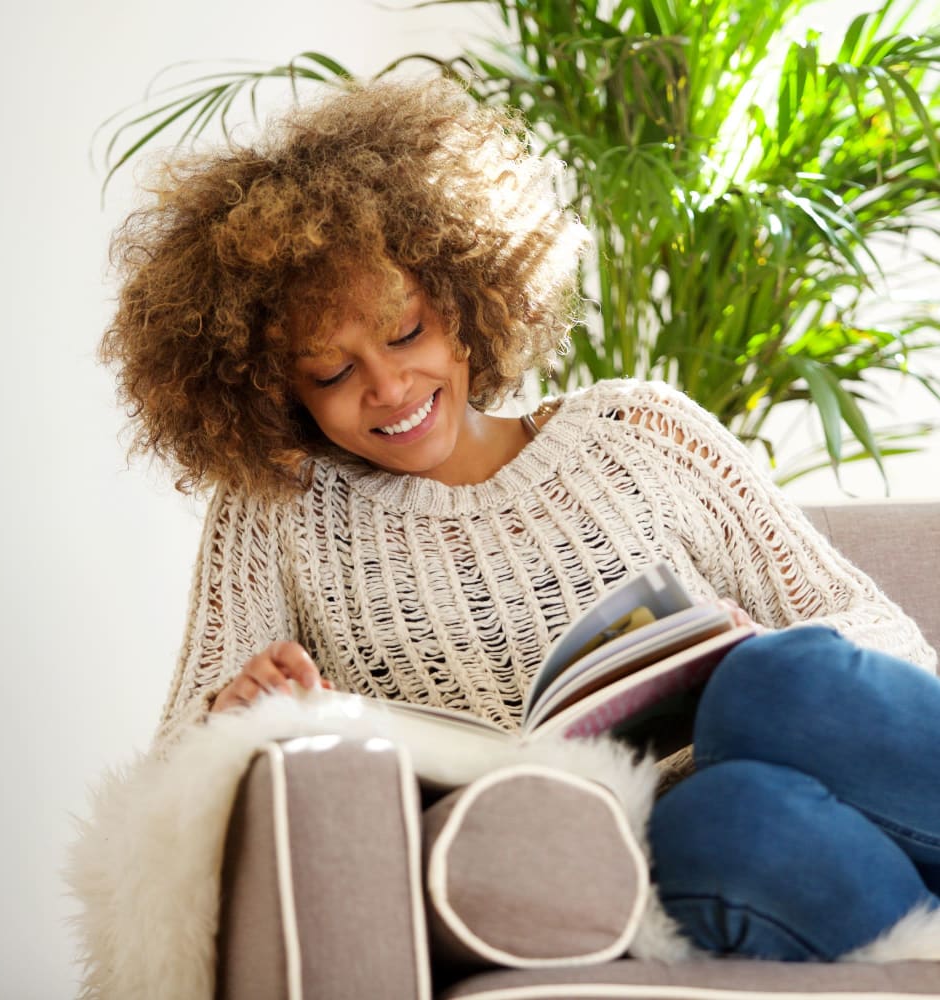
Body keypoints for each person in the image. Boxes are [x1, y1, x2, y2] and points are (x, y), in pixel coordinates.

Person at [100, 77, 940, 961]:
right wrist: (231, 716)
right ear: (280, 393)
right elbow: (167, 810)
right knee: (729, 823)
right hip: (632, 860)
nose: (387, 388)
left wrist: (735, 650)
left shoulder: (640, 429)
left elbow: (883, 634)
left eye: (403, 332)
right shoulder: (280, 510)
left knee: (776, 680)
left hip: (788, 764)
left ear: (462, 305)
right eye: (331, 373)